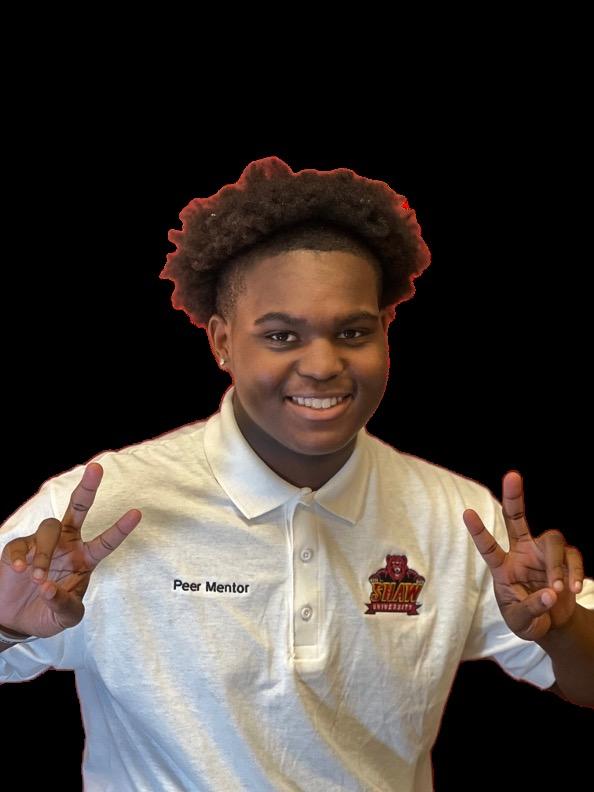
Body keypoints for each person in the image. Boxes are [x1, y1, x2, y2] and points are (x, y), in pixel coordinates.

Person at [0, 156, 592, 792]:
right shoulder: (95, 512)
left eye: (353, 332)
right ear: (222, 342)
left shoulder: (457, 516)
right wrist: (4, 624)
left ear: (385, 333)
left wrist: (562, 627)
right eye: (282, 336)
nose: (322, 364)